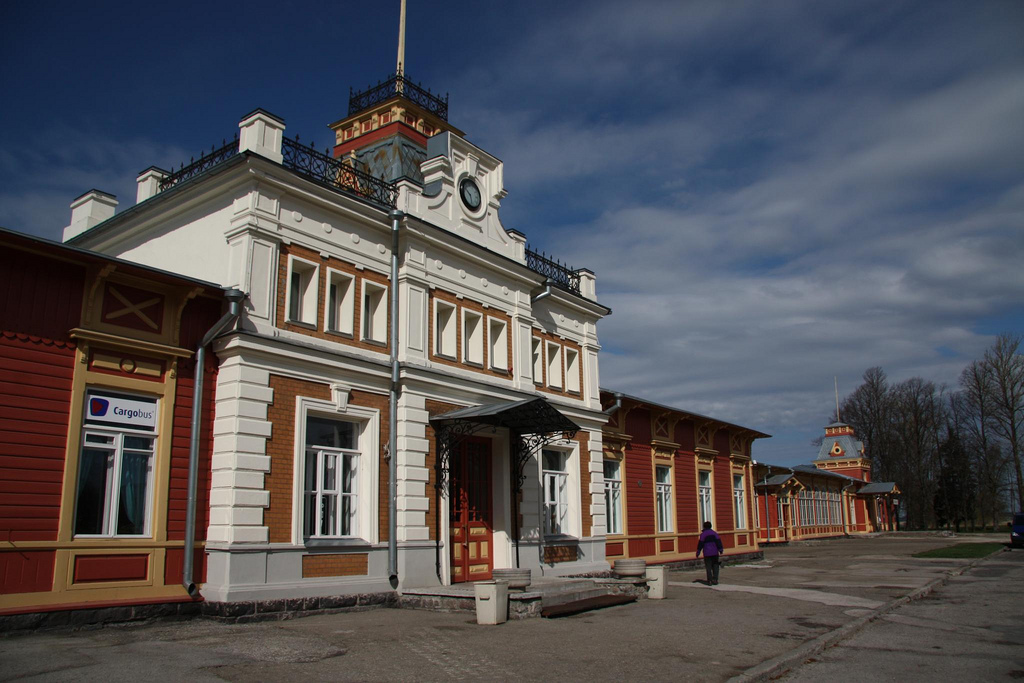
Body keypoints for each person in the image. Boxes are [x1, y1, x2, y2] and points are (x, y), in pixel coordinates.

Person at [695, 521, 723, 585]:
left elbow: (700, 544)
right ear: (711, 526)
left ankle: (709, 580)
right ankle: (715, 579)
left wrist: (698, 552)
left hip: (707, 553)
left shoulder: (703, 535)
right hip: (715, 552)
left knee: (708, 567)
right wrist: (720, 550)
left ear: (704, 527)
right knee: (715, 566)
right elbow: (718, 542)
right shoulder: (715, 533)